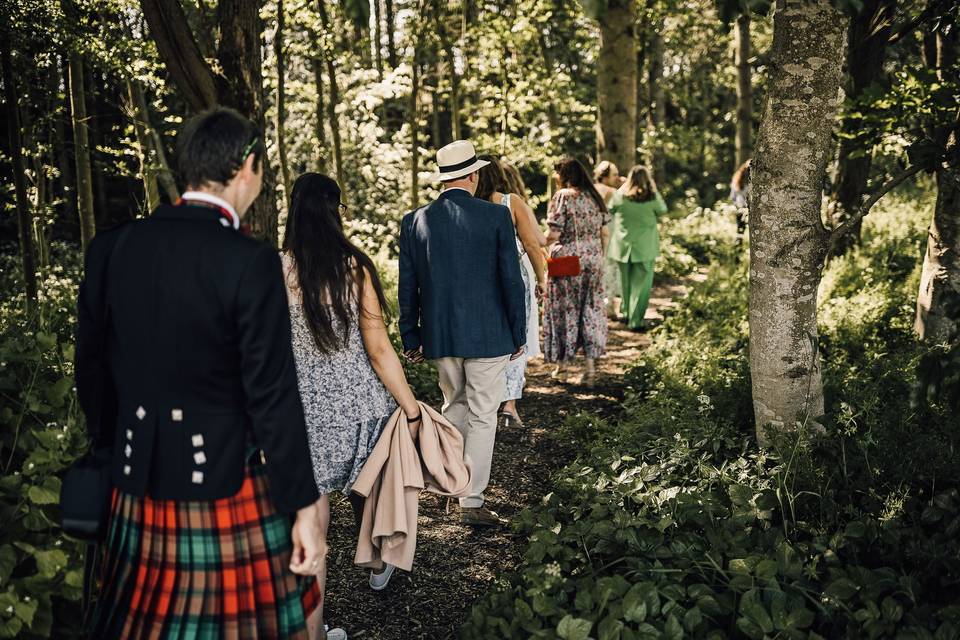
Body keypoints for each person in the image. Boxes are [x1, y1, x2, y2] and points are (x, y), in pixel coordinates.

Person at [76, 107, 325, 638]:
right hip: (225, 482)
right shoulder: (249, 261)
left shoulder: (113, 248)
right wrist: (303, 505)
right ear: (247, 166)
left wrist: (108, 448)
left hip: (134, 476)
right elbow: (273, 396)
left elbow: (91, 369)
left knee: (140, 625)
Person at [281, 174, 422, 620]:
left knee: (311, 525)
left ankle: (315, 629)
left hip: (301, 412)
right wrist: (411, 406)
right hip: (361, 406)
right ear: (334, 212)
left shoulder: (272, 268)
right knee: (370, 488)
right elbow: (378, 349)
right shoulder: (353, 266)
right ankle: (378, 563)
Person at [398, 139, 526, 527]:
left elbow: (409, 285)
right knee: (484, 414)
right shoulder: (496, 217)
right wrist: (517, 332)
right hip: (489, 333)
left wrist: (411, 336)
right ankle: (470, 500)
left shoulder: (415, 220)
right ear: (472, 175)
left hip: (441, 334)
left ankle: (446, 486)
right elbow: (511, 281)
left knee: (453, 405)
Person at [476, 156, 546, 428]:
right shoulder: (510, 201)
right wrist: (541, 279)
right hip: (515, 276)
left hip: (481, 278)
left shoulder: (471, 204)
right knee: (518, 334)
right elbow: (530, 243)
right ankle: (509, 405)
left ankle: (486, 396)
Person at [543, 157, 611, 387]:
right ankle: (590, 370)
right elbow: (605, 234)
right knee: (590, 310)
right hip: (594, 260)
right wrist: (599, 257)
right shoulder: (595, 196)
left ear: (562, 174)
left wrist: (534, 242)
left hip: (568, 262)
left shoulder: (563, 196)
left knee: (565, 311)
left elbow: (553, 234)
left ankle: (562, 368)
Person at [608, 165, 668, 331]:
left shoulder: (620, 195)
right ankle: (636, 321)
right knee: (641, 286)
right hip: (644, 247)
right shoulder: (652, 197)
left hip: (622, 246)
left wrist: (622, 187)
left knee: (625, 283)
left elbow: (610, 209)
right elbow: (663, 210)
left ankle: (626, 314)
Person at [593, 160, 624, 318]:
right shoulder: (611, 191)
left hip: (591, 233)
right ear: (604, 176)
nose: (617, 177)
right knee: (610, 267)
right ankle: (610, 304)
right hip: (608, 231)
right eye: (614, 174)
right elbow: (623, 208)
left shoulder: (589, 189)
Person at [730, 159, 751, 236]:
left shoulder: (737, 177)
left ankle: (739, 245)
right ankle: (739, 245)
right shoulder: (745, 178)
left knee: (740, 229)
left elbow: (732, 196)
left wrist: (736, 204)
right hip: (744, 207)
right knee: (741, 229)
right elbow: (733, 196)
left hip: (740, 206)